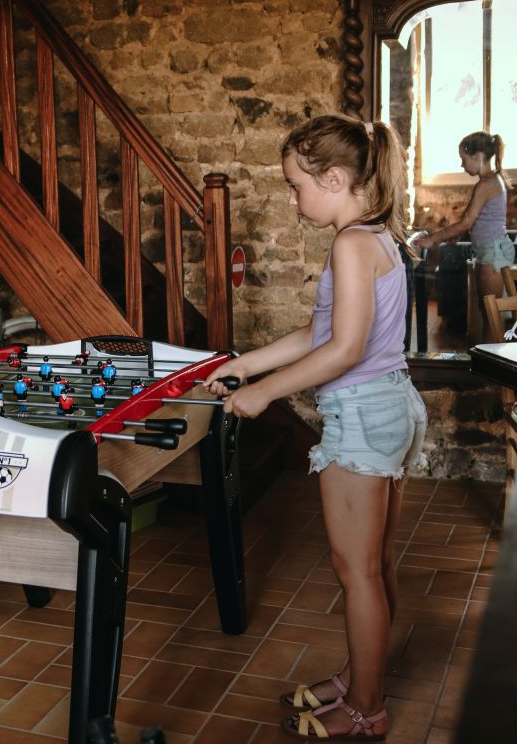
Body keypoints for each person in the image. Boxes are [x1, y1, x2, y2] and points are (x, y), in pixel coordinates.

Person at [206, 116, 427, 741]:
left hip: (362, 415)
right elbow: (321, 332)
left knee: (356, 570)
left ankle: (366, 709)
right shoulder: (377, 236)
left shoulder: (350, 245)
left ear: (333, 179)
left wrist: (263, 393)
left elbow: (345, 350)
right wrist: (246, 365)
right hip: (394, 404)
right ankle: (361, 678)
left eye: (295, 185)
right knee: (374, 564)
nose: (291, 199)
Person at [412, 131, 514, 314]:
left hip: (493, 252)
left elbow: (467, 221)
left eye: (464, 159)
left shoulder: (485, 185)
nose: (462, 164)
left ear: (478, 156)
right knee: (488, 313)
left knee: (491, 315)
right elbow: (478, 220)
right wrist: (457, 235)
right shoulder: (490, 181)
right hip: (490, 250)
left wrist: (433, 239)